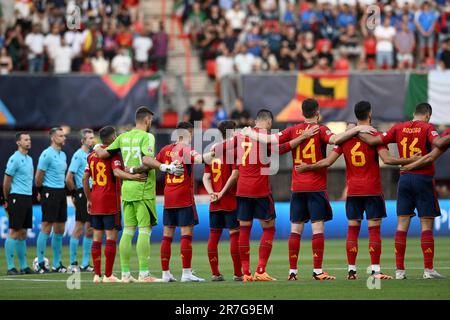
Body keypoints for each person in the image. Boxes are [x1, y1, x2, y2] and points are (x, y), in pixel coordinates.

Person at [242, 99, 375, 280]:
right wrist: (357, 128)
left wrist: (249, 132)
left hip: (297, 187)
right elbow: (335, 139)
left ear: (302, 113)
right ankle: (318, 271)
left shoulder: (292, 130)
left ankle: (292, 272)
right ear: (317, 112)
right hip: (315, 186)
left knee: (295, 229)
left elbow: (270, 140)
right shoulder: (320, 129)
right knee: (317, 228)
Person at [296, 101, 422, 280]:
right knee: (374, 230)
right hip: (372, 189)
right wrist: (410, 159)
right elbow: (387, 160)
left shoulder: (346, 137)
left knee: (353, 228)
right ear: (369, 114)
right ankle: (375, 271)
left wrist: (306, 167)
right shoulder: (374, 135)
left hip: (353, 191)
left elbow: (327, 162)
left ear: (356, 115)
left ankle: (351, 271)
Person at [94, 106, 183, 283]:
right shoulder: (147, 136)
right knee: (144, 230)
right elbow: (147, 160)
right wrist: (166, 167)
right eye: (151, 120)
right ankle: (144, 274)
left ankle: (125, 274)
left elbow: (103, 153)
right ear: (147, 120)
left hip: (126, 188)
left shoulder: (123, 137)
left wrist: (96, 144)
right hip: (142, 187)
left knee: (127, 231)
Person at [359, 102, 445, 280]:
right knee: (426, 224)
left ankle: (399, 271)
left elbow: (373, 140)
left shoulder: (398, 127)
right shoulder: (428, 127)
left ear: (414, 113)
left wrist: (356, 131)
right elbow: (438, 142)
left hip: (404, 179)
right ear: (428, 115)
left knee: (402, 224)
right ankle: (428, 270)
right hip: (423, 179)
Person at [232, 109, 320, 281]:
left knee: (244, 229)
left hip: (242, 188)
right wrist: (303, 137)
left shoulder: (241, 135)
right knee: (269, 228)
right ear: (269, 122)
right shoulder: (263, 136)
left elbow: (222, 148)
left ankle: (246, 273)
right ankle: (260, 269)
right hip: (259, 189)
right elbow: (282, 148)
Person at [83, 126, 147, 283]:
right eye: (116, 136)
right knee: (111, 237)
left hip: (96, 200)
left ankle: (97, 275)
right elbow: (117, 172)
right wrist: (134, 177)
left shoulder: (91, 156)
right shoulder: (113, 155)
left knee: (97, 238)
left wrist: (89, 199)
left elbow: (85, 178)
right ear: (112, 139)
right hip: (110, 200)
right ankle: (109, 275)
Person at [153, 122, 206, 282]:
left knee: (167, 235)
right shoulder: (187, 149)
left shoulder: (165, 150)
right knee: (186, 233)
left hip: (168, 198)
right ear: (189, 132)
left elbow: (154, 163)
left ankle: (165, 273)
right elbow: (198, 159)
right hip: (183, 197)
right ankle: (186, 273)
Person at [202, 120, 242, 281]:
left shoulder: (212, 151)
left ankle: (215, 273)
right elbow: (235, 175)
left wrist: (212, 193)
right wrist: (222, 193)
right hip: (229, 200)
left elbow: (206, 177)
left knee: (213, 236)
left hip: (215, 202)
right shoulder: (232, 150)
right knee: (234, 235)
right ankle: (238, 273)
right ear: (231, 132)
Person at [35, 127, 68, 273]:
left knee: (60, 228)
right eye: (61, 136)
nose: (64, 138)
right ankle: (40, 262)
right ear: (53, 138)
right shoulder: (46, 154)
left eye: (64, 135)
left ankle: (57, 263)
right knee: (46, 225)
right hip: (49, 191)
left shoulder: (63, 155)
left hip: (61, 192)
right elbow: (38, 177)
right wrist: (42, 191)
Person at [3, 132, 35, 275]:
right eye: (25, 139)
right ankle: (10, 267)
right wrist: (6, 198)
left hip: (27, 197)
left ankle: (24, 266)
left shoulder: (29, 159)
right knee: (14, 231)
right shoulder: (14, 159)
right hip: (16, 197)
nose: (29, 141)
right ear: (18, 143)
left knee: (23, 232)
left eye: (29, 139)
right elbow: (6, 181)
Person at [66, 129, 96, 273]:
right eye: (89, 138)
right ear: (82, 141)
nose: (92, 140)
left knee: (90, 229)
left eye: (93, 137)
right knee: (79, 227)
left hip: (93, 193)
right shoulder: (78, 156)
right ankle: (72, 263)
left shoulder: (92, 155)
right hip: (82, 193)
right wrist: (75, 193)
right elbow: (69, 177)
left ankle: (85, 263)